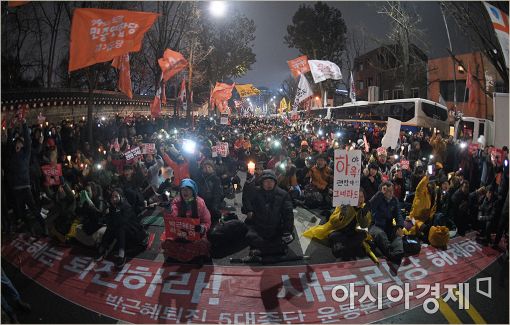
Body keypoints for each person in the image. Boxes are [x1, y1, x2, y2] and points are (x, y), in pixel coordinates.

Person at [303, 189, 372, 261]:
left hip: (354, 234)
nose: (359, 199)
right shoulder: (344, 205)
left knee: (362, 235)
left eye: (362, 197)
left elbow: (365, 227)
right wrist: (341, 214)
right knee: (335, 240)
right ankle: (349, 249)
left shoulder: (364, 208)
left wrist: (362, 216)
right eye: (357, 197)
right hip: (341, 232)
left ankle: (347, 249)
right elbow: (332, 221)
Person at [5, 119, 47, 236]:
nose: (18, 144)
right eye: (17, 143)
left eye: (20, 143)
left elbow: (28, 140)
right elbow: (9, 143)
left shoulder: (26, 154)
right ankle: (29, 229)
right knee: (21, 212)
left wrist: (23, 123)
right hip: (16, 187)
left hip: (25, 185)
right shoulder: (11, 155)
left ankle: (43, 226)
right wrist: (10, 129)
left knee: (33, 207)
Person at [243, 170, 294, 259]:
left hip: (275, 229)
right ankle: (273, 249)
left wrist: (287, 230)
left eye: (271, 181)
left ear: (275, 182)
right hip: (259, 228)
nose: (269, 184)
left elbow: (288, 215)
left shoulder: (283, 194)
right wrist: (249, 210)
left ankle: (261, 250)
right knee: (248, 236)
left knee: (290, 237)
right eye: (266, 181)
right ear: (262, 183)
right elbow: (246, 202)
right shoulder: (255, 192)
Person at [162, 179, 212, 263]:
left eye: (188, 189)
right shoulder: (177, 202)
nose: (185, 191)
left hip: (195, 234)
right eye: (183, 189)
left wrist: (202, 228)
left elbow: (207, 221)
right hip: (179, 233)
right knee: (167, 242)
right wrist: (168, 209)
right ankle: (176, 257)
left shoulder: (200, 203)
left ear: (193, 191)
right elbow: (172, 217)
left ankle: (196, 257)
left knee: (202, 244)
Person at [96, 189, 148, 269]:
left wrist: (112, 215)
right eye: (112, 197)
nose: (114, 199)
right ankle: (103, 248)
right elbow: (110, 222)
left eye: (116, 196)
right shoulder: (112, 208)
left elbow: (122, 221)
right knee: (111, 227)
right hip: (123, 231)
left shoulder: (126, 206)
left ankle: (121, 255)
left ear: (120, 197)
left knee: (120, 228)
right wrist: (108, 215)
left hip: (134, 231)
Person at [369, 181, 404, 273]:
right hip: (375, 225)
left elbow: (398, 214)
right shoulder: (378, 199)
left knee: (398, 235)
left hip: (388, 226)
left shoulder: (394, 200)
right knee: (381, 234)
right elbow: (370, 206)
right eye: (388, 191)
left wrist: (400, 226)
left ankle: (397, 253)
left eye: (392, 191)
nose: (391, 193)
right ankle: (391, 254)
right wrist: (380, 193)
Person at [195, 160, 224, 225]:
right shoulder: (201, 178)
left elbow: (217, 194)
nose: (207, 169)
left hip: (210, 205)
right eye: (205, 167)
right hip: (201, 204)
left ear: (213, 169)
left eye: (209, 167)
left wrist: (214, 206)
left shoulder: (216, 179)